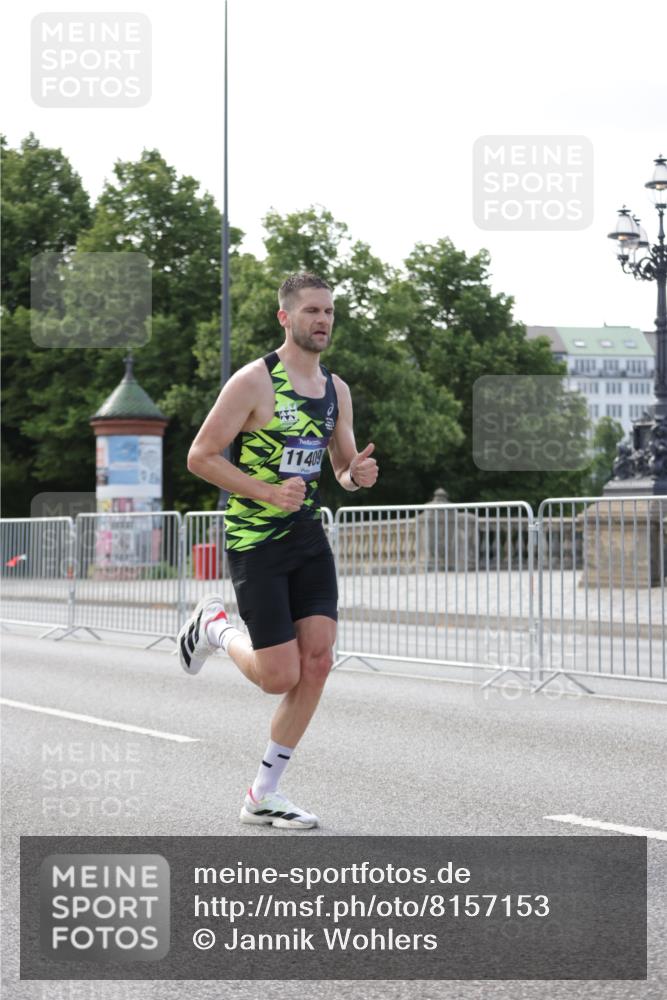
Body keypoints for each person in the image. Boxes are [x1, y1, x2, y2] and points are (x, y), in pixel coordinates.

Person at [177, 272, 379, 829]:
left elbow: (339, 469)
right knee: (277, 677)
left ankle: (263, 793)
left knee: (317, 662)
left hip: (307, 538)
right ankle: (214, 626)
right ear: (285, 318)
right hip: (255, 539)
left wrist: (357, 474)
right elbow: (201, 456)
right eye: (312, 311)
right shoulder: (254, 382)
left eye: (330, 312)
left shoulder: (336, 390)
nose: (323, 320)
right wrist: (268, 491)